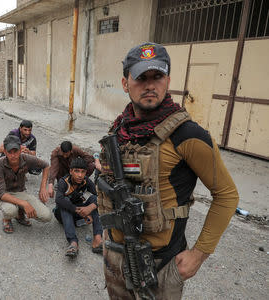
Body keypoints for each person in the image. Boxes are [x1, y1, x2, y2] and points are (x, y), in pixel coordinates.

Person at [97, 42, 239, 299]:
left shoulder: (188, 135)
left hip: (160, 266)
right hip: (115, 255)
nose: (150, 85)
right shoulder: (119, 129)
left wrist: (199, 254)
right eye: (141, 78)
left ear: (168, 80)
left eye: (157, 76)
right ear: (125, 83)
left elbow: (226, 195)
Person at [0, 135, 51, 234]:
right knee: (10, 211)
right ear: (5, 152)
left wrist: (43, 188)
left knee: (47, 216)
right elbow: (1, 193)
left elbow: (46, 165)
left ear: (20, 150)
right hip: (5, 195)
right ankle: (7, 219)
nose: (13, 155)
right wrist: (24, 203)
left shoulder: (26, 158)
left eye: (15, 151)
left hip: (20, 193)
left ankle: (19, 213)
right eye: (9, 152)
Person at [54, 157, 102, 257]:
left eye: (83, 172)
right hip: (64, 214)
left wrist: (89, 208)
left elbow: (100, 196)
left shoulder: (86, 181)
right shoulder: (64, 182)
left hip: (79, 213)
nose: (80, 175)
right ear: (71, 171)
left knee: (94, 199)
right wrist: (77, 210)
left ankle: (97, 239)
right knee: (64, 201)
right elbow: (58, 199)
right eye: (76, 171)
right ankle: (73, 242)